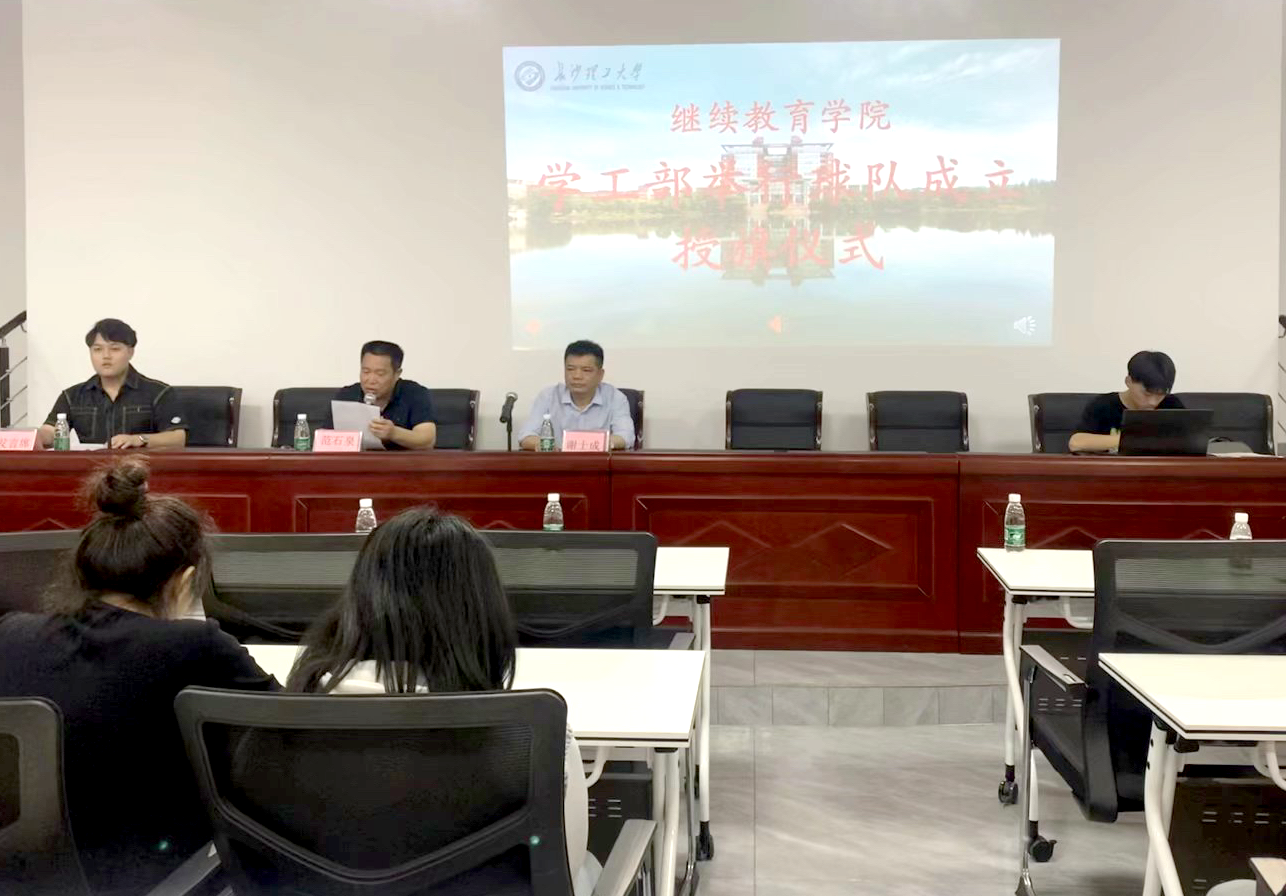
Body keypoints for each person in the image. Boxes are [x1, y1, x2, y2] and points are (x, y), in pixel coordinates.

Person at [285, 508, 601, 895]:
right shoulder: (537, 738)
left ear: (357, 599)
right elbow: (563, 870)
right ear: (482, 611)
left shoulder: (274, 726)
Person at [0, 458, 278, 895]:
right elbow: (288, 734)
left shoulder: (11, 633)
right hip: (147, 873)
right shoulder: (194, 646)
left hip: (20, 877)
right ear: (184, 581)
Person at [38, 318, 187, 450]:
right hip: (91, 468)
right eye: (97, 349)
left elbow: (177, 438)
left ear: (130, 352)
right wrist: (36, 436)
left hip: (141, 468)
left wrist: (138, 439)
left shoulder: (158, 393)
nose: (106, 356)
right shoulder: (72, 396)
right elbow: (50, 430)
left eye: (115, 349)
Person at [517, 339, 634, 451]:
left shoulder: (615, 398)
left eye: (586, 370)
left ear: (600, 375)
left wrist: (595, 444)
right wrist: (543, 445)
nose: (577, 376)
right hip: (558, 462)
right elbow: (526, 435)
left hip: (598, 463)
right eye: (570, 369)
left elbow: (626, 436)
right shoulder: (548, 396)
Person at [326, 340, 437, 450]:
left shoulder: (414, 394)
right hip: (356, 460)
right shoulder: (346, 396)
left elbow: (427, 440)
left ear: (397, 374)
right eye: (366, 372)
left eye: (380, 374)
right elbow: (325, 439)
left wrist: (394, 433)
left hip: (401, 461)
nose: (371, 380)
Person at [1068, 350, 1184, 453]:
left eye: (1160, 395)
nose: (1153, 402)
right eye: (1147, 394)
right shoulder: (1104, 405)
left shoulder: (1171, 405)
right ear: (1128, 381)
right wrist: (1136, 439)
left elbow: (1189, 440)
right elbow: (1076, 443)